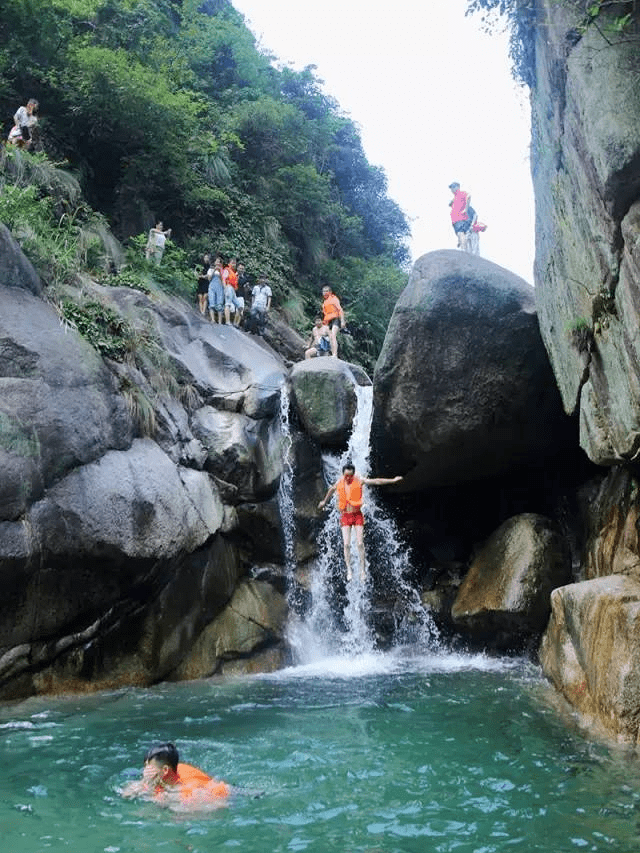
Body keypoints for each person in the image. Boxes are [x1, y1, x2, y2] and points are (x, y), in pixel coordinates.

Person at [317, 463, 403, 581]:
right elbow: (331, 490)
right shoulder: (339, 482)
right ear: (343, 474)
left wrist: (392, 480)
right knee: (346, 544)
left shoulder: (359, 480)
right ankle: (349, 570)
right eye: (346, 476)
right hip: (346, 516)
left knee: (360, 543)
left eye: (350, 476)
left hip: (357, 516)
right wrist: (324, 502)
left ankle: (362, 570)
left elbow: (376, 481)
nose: (348, 478)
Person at [121, 742, 230, 806]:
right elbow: (125, 794)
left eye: (149, 768)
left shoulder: (189, 788)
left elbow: (189, 813)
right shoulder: (158, 777)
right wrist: (145, 782)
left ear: (165, 770)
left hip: (222, 795)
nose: (146, 772)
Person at [321, 285, 345, 358]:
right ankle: (331, 352)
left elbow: (340, 310)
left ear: (330, 292)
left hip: (336, 319)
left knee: (333, 335)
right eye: (323, 291)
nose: (325, 293)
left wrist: (342, 321)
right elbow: (325, 314)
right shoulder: (324, 303)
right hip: (328, 321)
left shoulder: (334, 299)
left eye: (326, 291)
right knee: (329, 336)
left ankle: (335, 354)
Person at [448, 182, 472, 252]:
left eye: (453, 187)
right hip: (455, 220)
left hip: (460, 219)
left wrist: (466, 209)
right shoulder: (455, 197)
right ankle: (463, 245)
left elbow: (469, 196)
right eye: (451, 188)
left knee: (460, 233)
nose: (452, 189)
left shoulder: (461, 194)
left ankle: (464, 249)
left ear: (458, 187)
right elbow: (450, 204)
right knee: (460, 234)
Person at [222, 257, 243, 326]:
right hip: (228, 287)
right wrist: (225, 288)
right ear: (230, 262)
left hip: (233, 290)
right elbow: (224, 279)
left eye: (235, 262)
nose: (234, 263)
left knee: (239, 306)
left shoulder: (233, 271)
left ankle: (237, 319)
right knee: (227, 304)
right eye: (233, 262)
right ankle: (227, 321)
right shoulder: (227, 269)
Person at [208, 257, 224, 323]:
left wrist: (220, 271)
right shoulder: (210, 269)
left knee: (219, 304)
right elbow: (209, 279)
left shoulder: (223, 271)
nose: (218, 263)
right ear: (214, 262)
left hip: (220, 288)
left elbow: (223, 280)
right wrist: (214, 270)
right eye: (217, 261)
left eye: (219, 262)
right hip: (212, 287)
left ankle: (219, 321)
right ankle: (213, 319)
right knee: (211, 303)